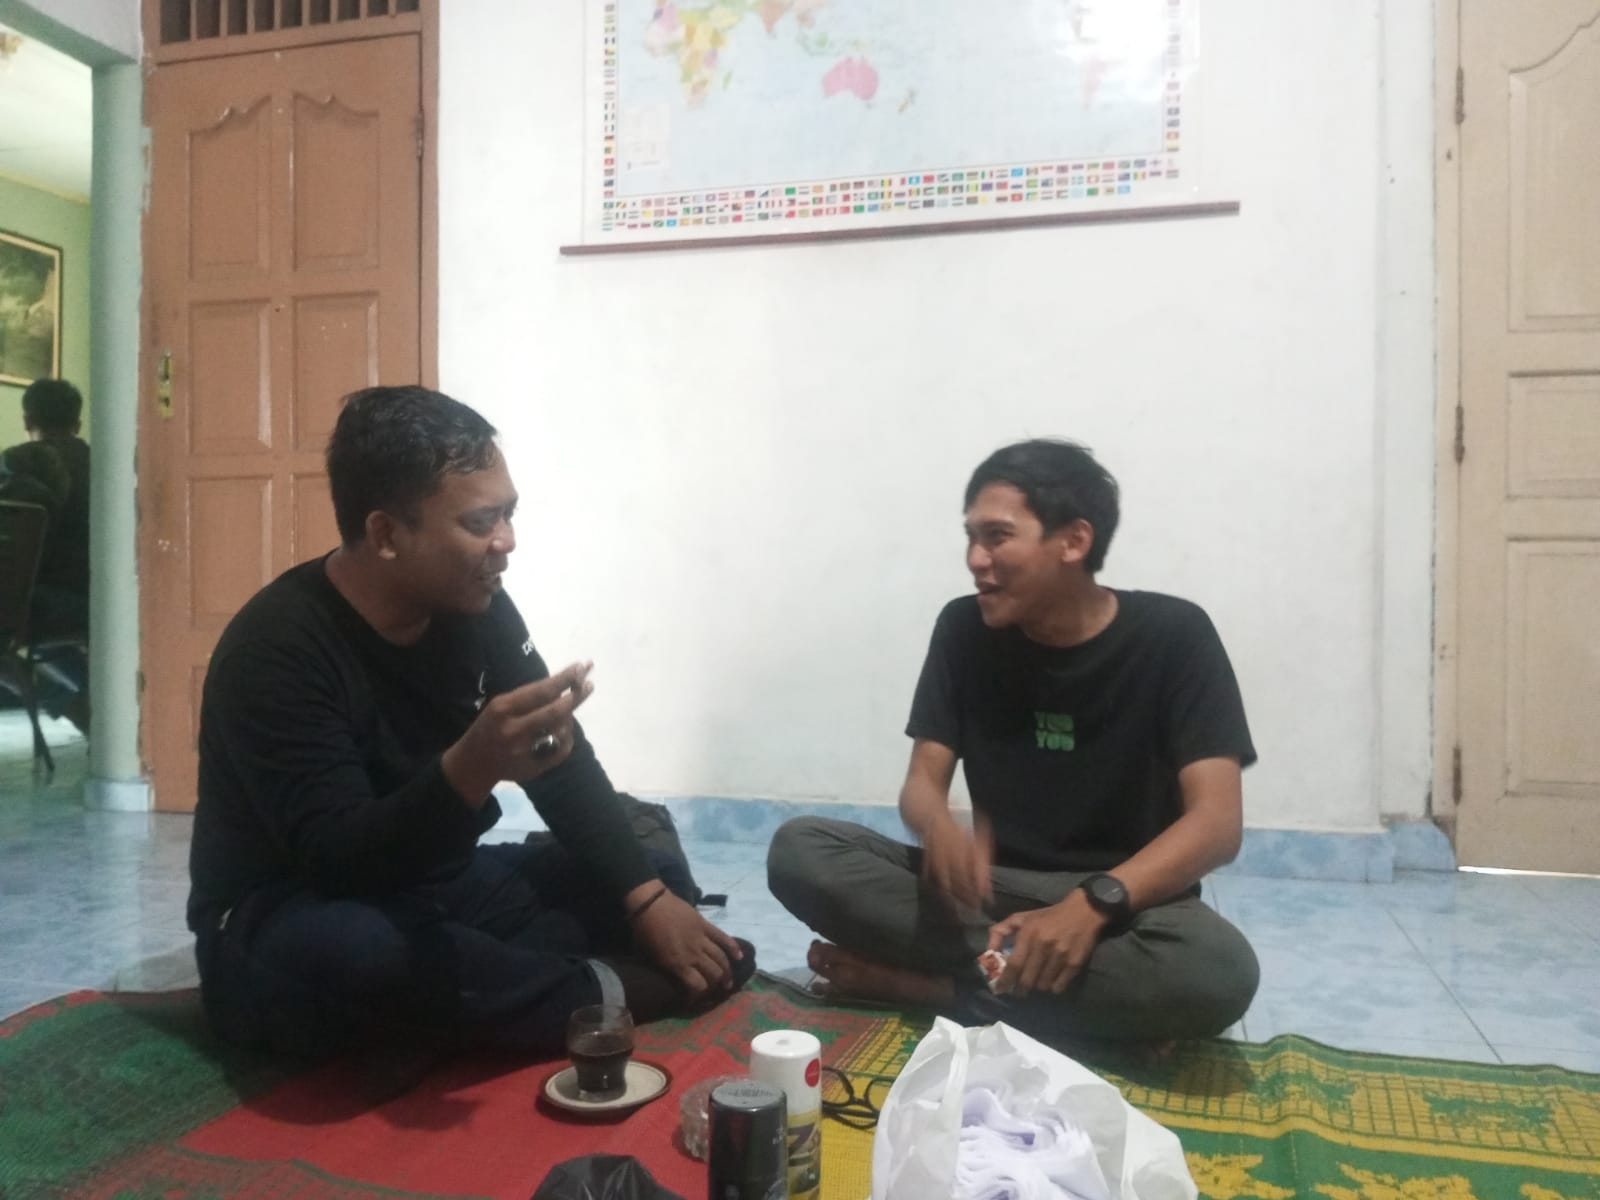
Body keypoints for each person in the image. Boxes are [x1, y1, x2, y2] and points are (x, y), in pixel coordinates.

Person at [187, 385, 753, 1060]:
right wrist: (471, 769)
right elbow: (339, 862)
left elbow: (560, 763)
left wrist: (648, 899)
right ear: (386, 534)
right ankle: (610, 994)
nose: (506, 542)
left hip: (437, 883)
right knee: (364, 958)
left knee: (648, 877)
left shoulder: (478, 606)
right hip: (289, 908)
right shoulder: (277, 649)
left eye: (508, 514)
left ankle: (513, 994)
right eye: (481, 522)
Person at [767, 439, 1258, 1047]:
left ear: (1073, 541)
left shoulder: (1175, 636)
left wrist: (1092, 904)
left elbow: (1217, 824)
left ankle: (939, 990)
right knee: (802, 850)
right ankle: (1022, 979)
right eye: (971, 537)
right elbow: (922, 782)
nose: (976, 559)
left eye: (997, 537)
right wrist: (939, 827)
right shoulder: (962, 629)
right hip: (992, 891)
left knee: (1216, 969)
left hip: (1126, 904)